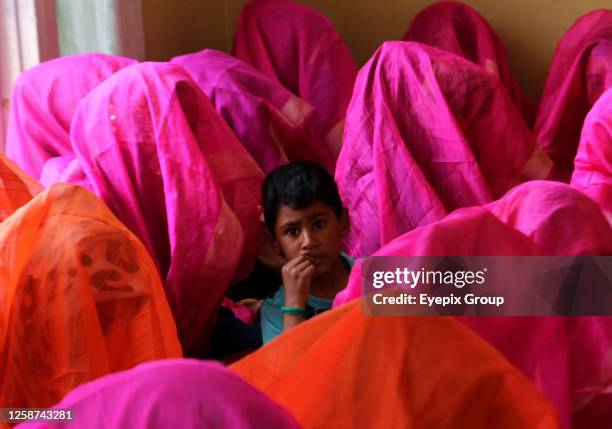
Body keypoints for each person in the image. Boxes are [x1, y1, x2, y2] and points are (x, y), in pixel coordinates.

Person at [259, 161, 353, 343]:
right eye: (292, 232)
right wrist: (294, 306)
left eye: (319, 224)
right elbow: (290, 371)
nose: (309, 242)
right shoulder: (276, 311)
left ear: (343, 223)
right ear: (276, 244)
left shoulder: (377, 277)